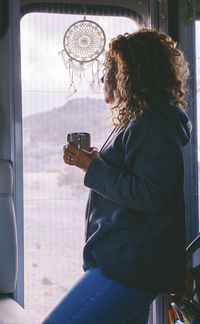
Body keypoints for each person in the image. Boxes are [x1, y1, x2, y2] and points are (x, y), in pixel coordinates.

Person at [42, 28, 190, 324]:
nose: (102, 78)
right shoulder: (140, 122)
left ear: (131, 74)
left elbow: (151, 195)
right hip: (128, 263)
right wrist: (96, 162)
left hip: (127, 268)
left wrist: (91, 167)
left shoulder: (153, 125)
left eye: (109, 69)